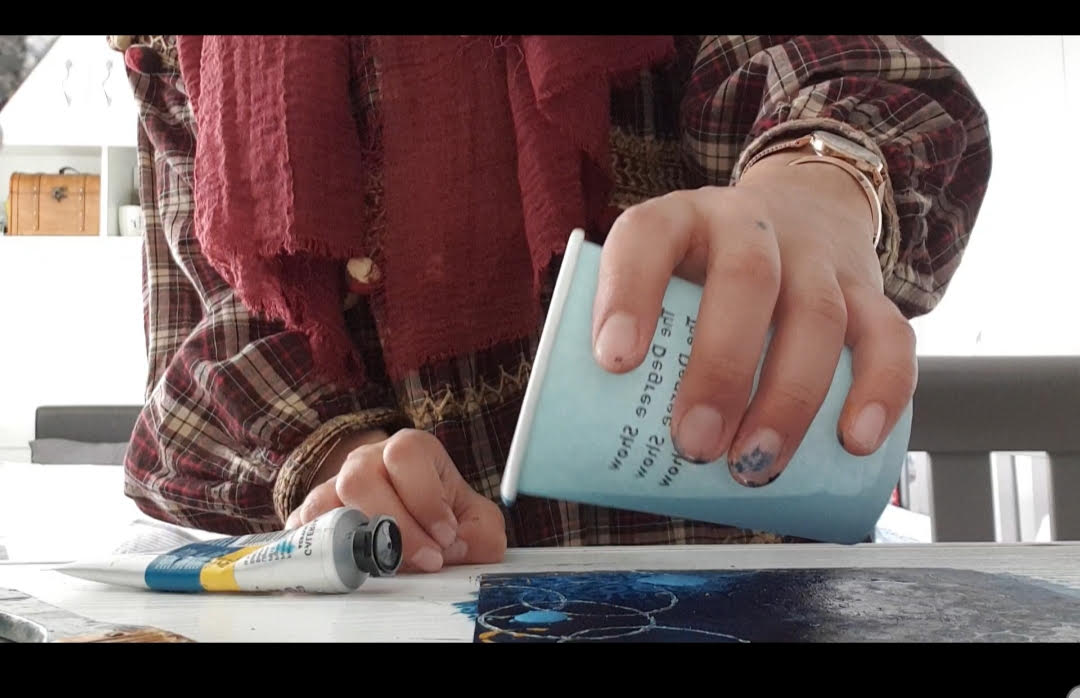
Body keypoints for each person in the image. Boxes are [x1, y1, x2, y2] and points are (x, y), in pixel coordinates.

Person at [107, 35, 991, 573]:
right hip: (408, 602)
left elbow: (846, 63)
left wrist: (820, 176)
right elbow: (227, 320)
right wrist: (352, 465)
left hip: (759, 591)